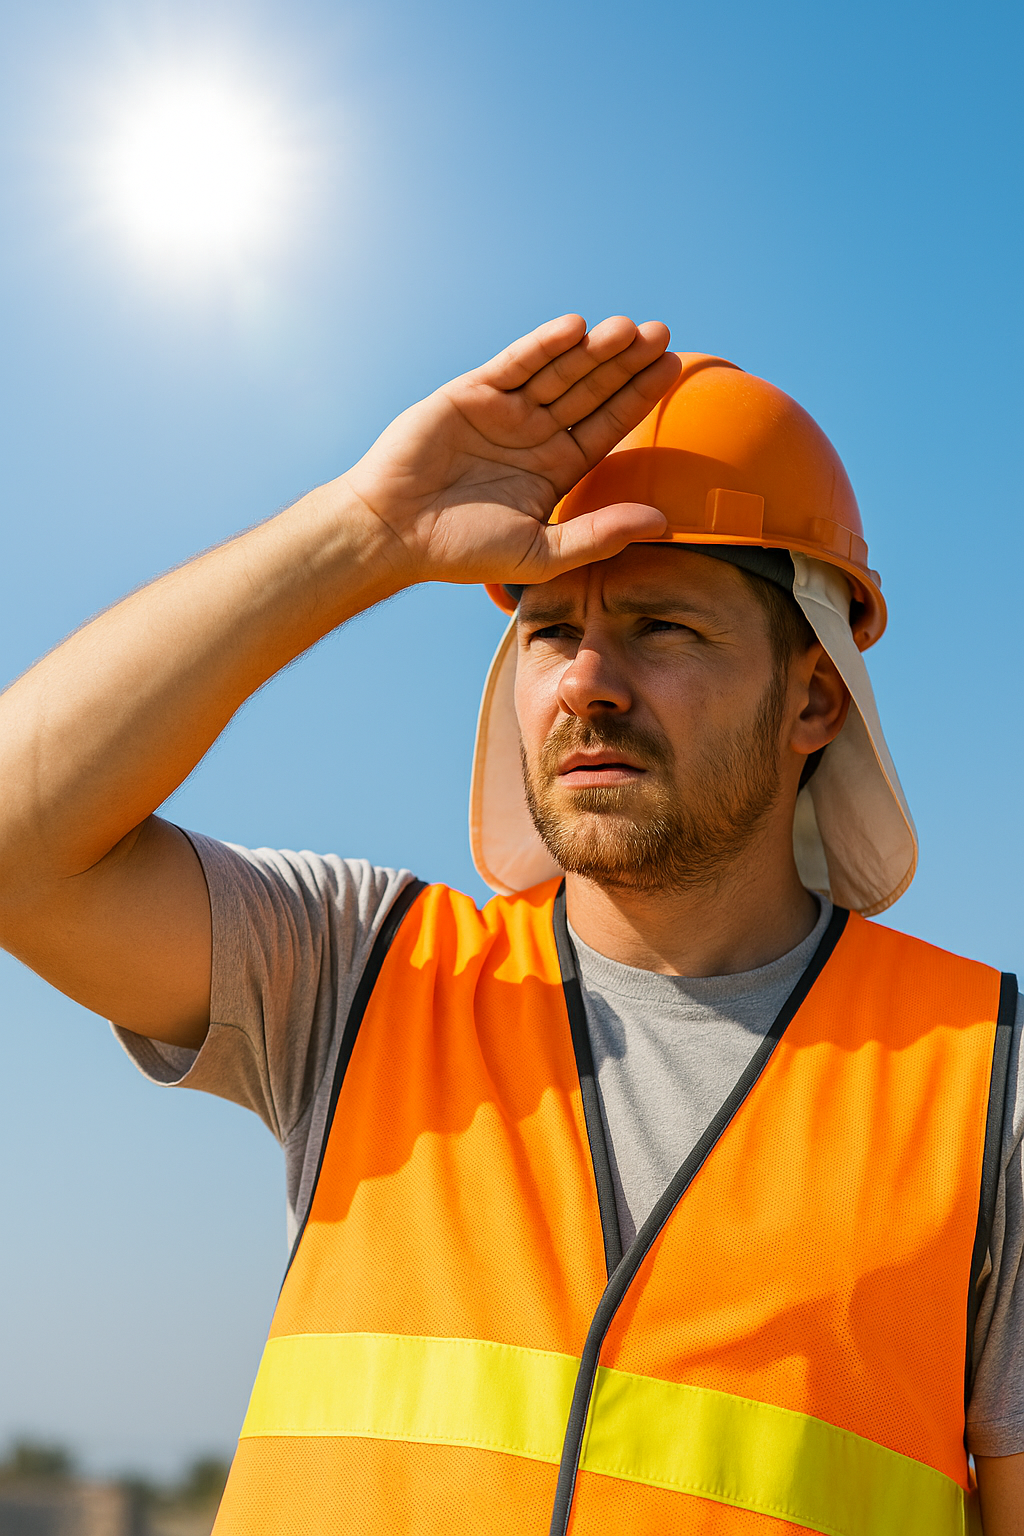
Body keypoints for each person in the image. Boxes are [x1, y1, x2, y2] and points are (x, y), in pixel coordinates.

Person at [0, 314, 1021, 1536]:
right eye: (547, 630)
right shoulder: (363, 970)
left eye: (661, 627)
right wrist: (360, 537)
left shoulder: (990, 1084)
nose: (586, 677)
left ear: (813, 697)